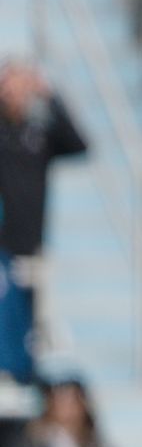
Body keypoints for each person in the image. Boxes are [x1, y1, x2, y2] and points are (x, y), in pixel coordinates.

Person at [0, 62, 88, 377]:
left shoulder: (41, 130)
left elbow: (80, 145)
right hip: (2, 243)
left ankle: (25, 376)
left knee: (30, 321)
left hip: (31, 240)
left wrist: (51, 96)